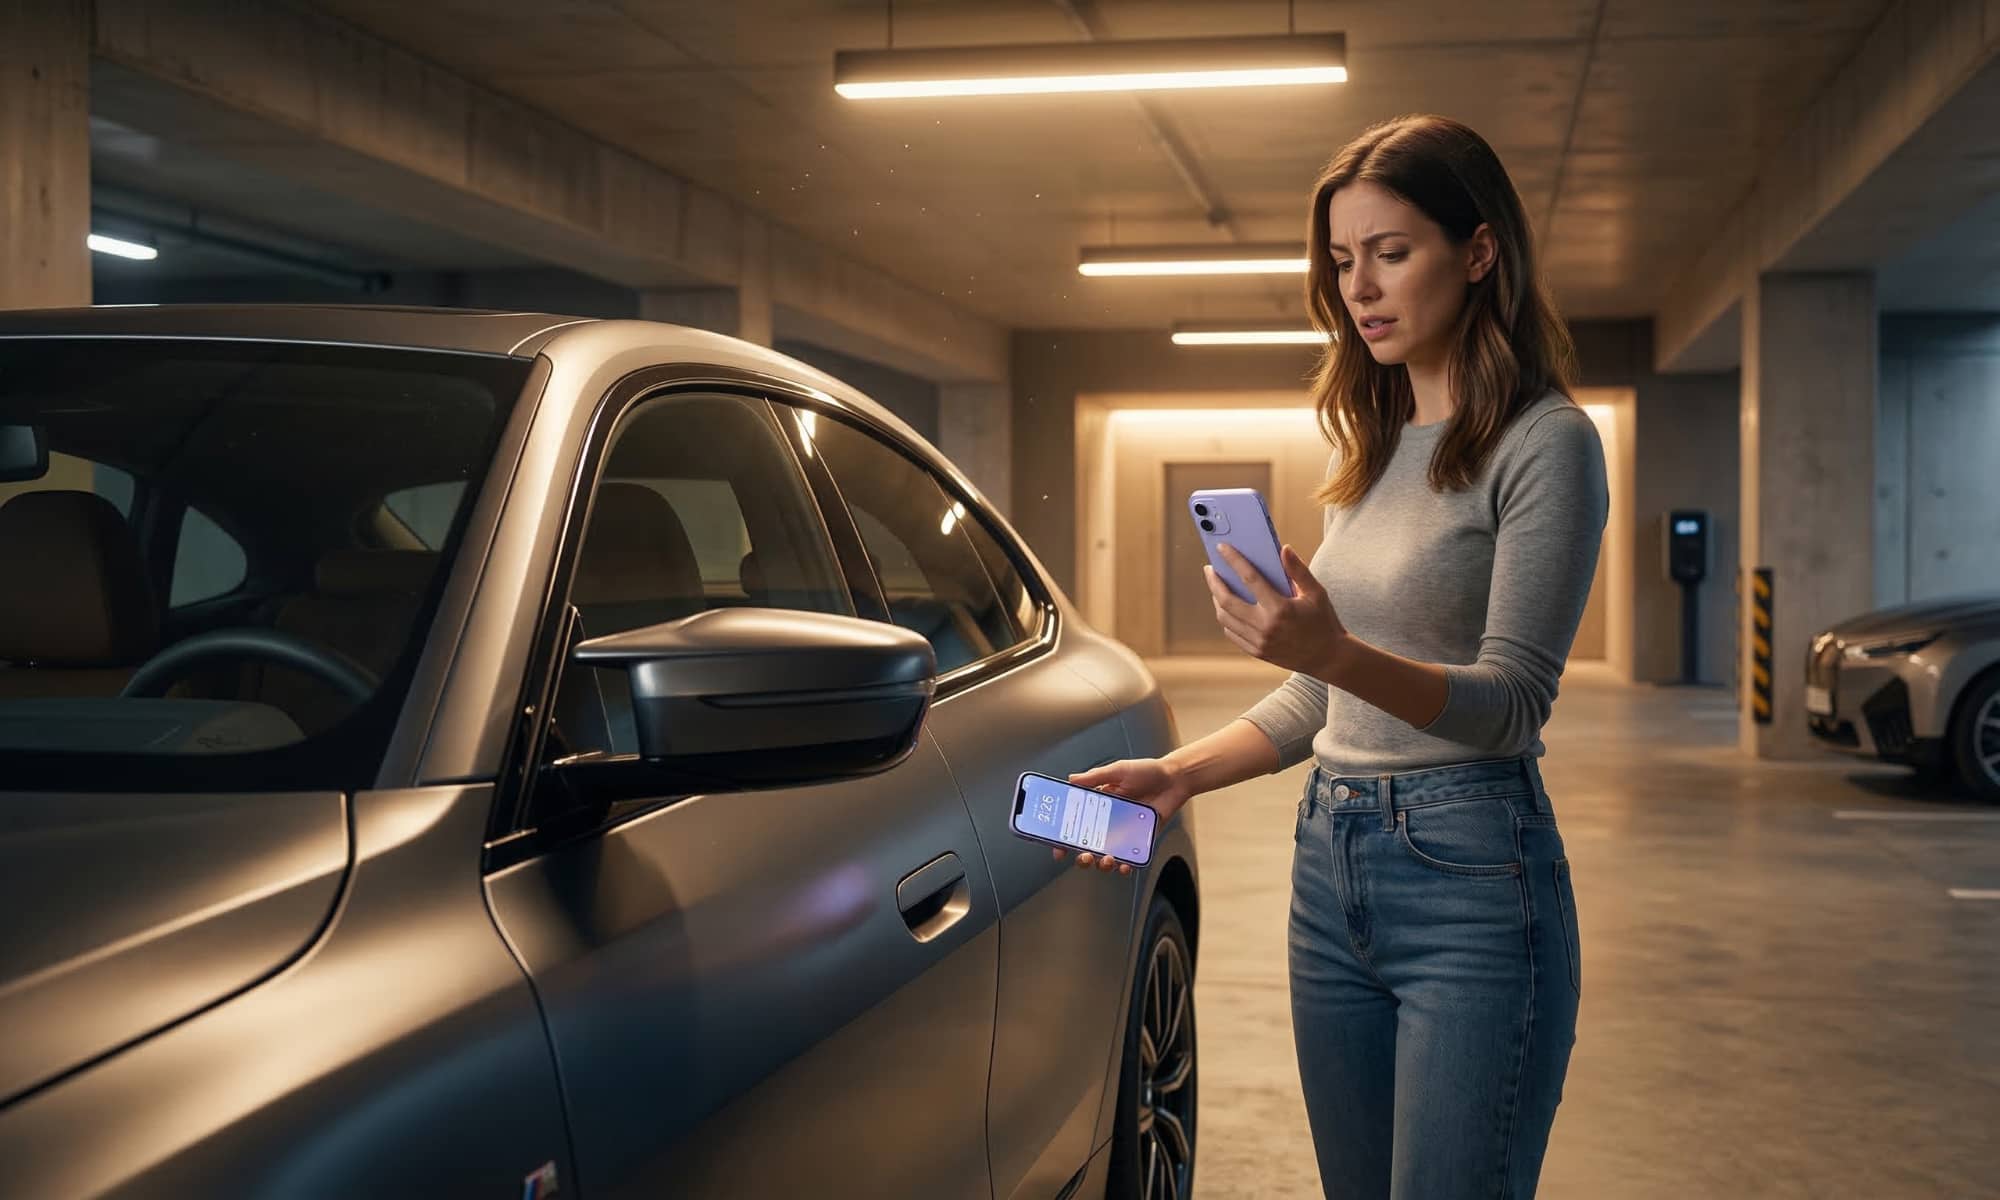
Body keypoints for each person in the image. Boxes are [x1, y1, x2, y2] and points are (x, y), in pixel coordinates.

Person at [1058, 114, 1608, 1198]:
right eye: (1343, 261)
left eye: (1391, 253)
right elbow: (1321, 694)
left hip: (1472, 876)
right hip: (1331, 866)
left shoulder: (1547, 443)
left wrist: (1335, 650)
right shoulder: (1370, 447)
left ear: (1478, 252)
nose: (1359, 287)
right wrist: (1178, 777)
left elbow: (1509, 705)